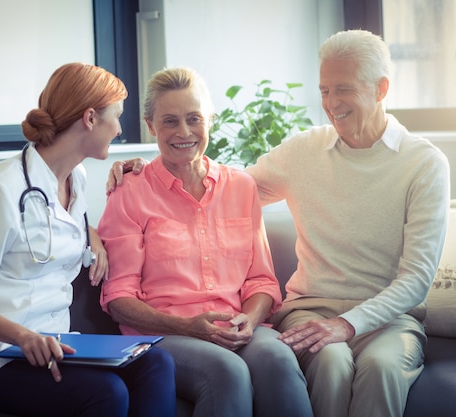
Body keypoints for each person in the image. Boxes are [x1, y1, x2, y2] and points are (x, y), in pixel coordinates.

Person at [106, 30, 451, 417]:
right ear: (151, 126)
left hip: (388, 318)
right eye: (324, 90)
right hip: (312, 308)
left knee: (380, 369)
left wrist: (344, 324)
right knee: (329, 362)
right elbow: (223, 186)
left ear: (381, 88)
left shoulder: (424, 163)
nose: (331, 103)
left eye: (343, 89)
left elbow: (417, 278)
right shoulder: (304, 151)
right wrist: (137, 172)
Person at [0, 62, 176, 417]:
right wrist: (23, 337)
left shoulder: (75, 178)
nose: (121, 129)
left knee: (156, 362)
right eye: (117, 116)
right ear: (90, 118)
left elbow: (54, 224)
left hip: (54, 343)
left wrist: (90, 233)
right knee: (106, 393)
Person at [97, 67, 313, 417]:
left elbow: (261, 281)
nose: (184, 132)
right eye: (169, 121)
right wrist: (185, 326)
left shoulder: (241, 187)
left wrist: (249, 318)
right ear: (151, 126)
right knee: (226, 372)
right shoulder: (129, 192)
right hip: (164, 334)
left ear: (210, 120)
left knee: (277, 358)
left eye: (194, 119)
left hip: (234, 327)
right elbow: (119, 299)